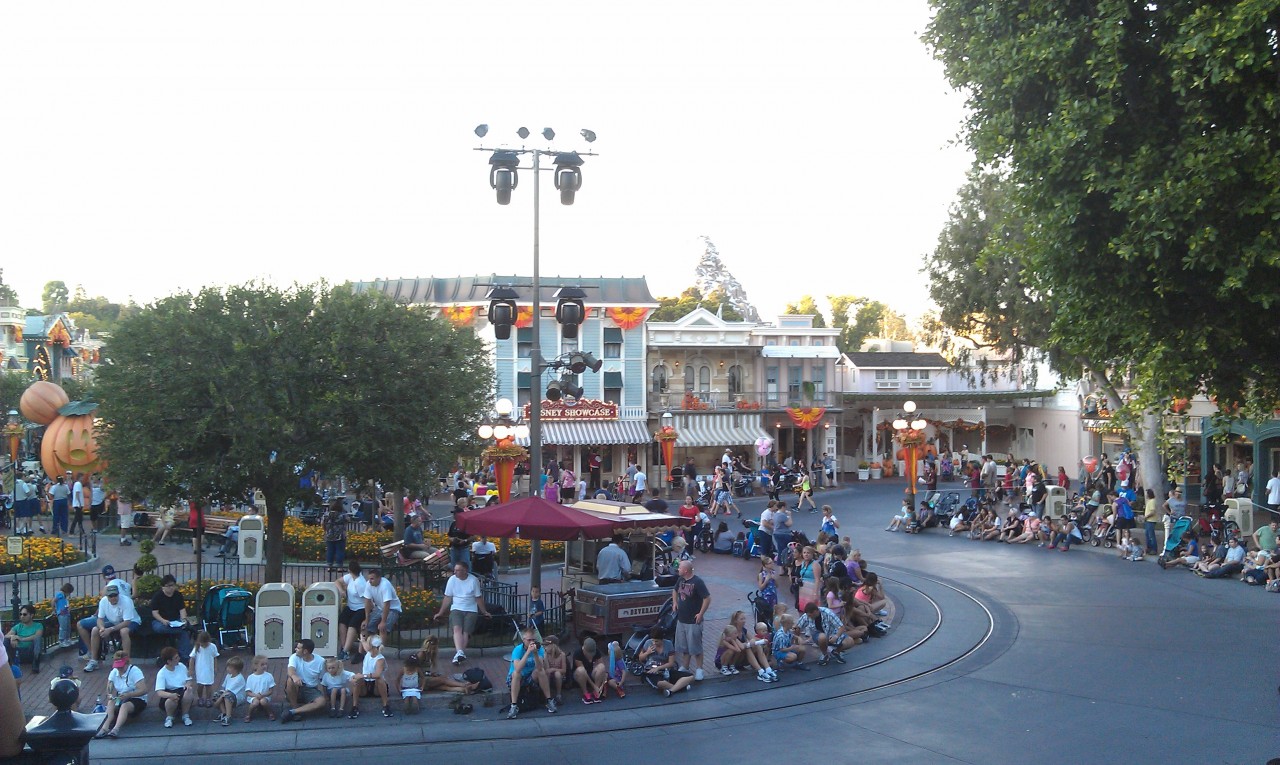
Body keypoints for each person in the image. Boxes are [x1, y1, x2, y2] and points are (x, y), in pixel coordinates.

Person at [433, 561, 491, 665]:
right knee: (457, 628)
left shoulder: (473, 580)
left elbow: (478, 598)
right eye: (454, 570)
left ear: (465, 571)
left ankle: (458, 656)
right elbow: (448, 597)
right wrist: (440, 612)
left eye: (458, 570)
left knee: (466, 632)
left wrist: (484, 611)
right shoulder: (452, 580)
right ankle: (460, 653)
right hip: (456, 607)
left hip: (471, 609)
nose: (455, 572)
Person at [81, 585, 141, 671]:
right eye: (110, 596)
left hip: (132, 621)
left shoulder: (127, 601)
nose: (113, 598)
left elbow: (127, 622)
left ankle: (126, 660)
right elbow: (100, 619)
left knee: (124, 631)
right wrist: (102, 628)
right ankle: (94, 660)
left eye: (115, 595)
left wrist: (110, 629)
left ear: (118, 594)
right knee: (95, 630)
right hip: (114, 621)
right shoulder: (103, 601)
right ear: (107, 596)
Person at [94, 650, 149, 739]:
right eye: (117, 667)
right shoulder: (114, 672)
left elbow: (144, 690)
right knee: (111, 702)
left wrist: (129, 695)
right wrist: (109, 694)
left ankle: (116, 729)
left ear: (127, 663)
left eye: (121, 667)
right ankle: (105, 728)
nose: (119, 669)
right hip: (121, 697)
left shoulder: (135, 671)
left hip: (137, 698)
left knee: (124, 706)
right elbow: (109, 686)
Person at [672, 560, 711, 681]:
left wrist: (701, 613)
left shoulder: (697, 582)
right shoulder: (680, 580)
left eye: (679, 568)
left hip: (693, 621)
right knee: (684, 646)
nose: (677, 569)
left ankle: (699, 669)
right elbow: (674, 590)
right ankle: (685, 666)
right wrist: (674, 602)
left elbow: (707, 598)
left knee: (696, 646)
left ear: (685, 570)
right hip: (682, 619)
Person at [506, 628, 557, 719]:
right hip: (516, 678)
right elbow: (517, 669)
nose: (531, 642)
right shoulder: (518, 650)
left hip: (530, 677)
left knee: (540, 671)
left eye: (533, 640)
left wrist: (535, 654)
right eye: (529, 640)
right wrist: (527, 653)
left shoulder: (539, 649)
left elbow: (540, 667)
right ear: (523, 640)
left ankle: (549, 700)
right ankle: (513, 706)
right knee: (516, 674)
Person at [281, 638, 328, 723]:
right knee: (290, 680)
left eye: (298, 648)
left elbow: (323, 679)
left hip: (311, 689)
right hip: (297, 686)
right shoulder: (294, 657)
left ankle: (293, 712)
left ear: (305, 651)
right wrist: (294, 676)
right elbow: (290, 670)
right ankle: (294, 706)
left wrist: (326, 695)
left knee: (321, 702)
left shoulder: (320, 661)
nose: (295, 649)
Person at [637, 625, 694, 697]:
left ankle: (671, 691)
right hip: (651, 671)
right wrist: (647, 653)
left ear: (662, 639)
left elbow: (671, 663)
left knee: (690, 677)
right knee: (661, 683)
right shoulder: (648, 643)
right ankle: (681, 688)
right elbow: (640, 658)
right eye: (653, 640)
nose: (654, 643)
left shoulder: (668, 644)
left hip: (665, 670)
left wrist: (659, 668)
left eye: (656, 641)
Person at [146, 574, 194, 659]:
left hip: (175, 620)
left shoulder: (178, 595)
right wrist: (163, 620)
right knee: (161, 628)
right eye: (168, 586)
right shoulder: (158, 596)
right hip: (160, 621)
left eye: (172, 585)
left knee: (184, 631)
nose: (171, 588)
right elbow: (155, 613)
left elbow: (182, 610)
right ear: (163, 587)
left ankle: (185, 656)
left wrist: (183, 620)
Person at [351, 633, 392, 718]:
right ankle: (354, 707)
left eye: (368, 642)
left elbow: (377, 674)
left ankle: (386, 706)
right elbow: (365, 646)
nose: (366, 644)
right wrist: (362, 640)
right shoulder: (369, 652)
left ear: (372, 646)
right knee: (357, 680)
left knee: (380, 679)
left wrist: (362, 676)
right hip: (366, 684)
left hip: (376, 686)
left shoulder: (380, 659)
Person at [155, 646, 195, 728]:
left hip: (181, 691)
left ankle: (185, 715)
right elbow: (159, 692)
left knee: (189, 691)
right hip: (169, 693)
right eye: (176, 658)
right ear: (169, 661)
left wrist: (188, 685)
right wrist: (170, 695)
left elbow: (189, 680)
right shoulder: (162, 673)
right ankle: (169, 717)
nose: (179, 659)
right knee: (171, 700)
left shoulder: (181, 666)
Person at [335, 561, 368, 662]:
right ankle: (344, 647)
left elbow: (367, 600)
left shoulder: (360, 583)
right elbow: (337, 582)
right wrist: (342, 590)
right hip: (351, 606)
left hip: (361, 608)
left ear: (349, 569)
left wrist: (367, 617)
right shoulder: (350, 577)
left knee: (352, 625)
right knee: (342, 621)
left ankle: (345, 651)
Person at [363, 568, 402, 643]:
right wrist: (366, 619)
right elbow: (367, 601)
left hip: (392, 609)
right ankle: (365, 651)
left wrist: (383, 621)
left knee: (382, 628)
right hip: (380, 608)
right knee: (366, 627)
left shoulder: (385, 585)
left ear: (379, 578)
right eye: (369, 579)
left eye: (372, 579)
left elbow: (387, 604)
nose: (370, 581)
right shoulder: (368, 584)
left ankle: (380, 651)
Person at [5, 606, 43, 672]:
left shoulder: (38, 625)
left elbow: (37, 636)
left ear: (31, 615)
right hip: (18, 653)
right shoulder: (18, 626)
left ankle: (36, 664)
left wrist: (21, 639)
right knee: (6, 640)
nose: (22, 616)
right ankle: (7, 663)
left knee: (37, 639)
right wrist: (13, 637)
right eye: (21, 614)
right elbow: (6, 636)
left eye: (24, 614)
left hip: (30, 652)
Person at [212, 655, 246, 726]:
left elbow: (228, 692)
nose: (227, 669)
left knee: (227, 696)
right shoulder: (228, 676)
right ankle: (224, 713)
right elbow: (224, 688)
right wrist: (219, 696)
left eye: (229, 667)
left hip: (237, 697)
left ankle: (228, 716)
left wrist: (217, 702)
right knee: (217, 694)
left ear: (236, 669)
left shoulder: (239, 679)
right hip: (227, 693)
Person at [573, 636, 608, 704]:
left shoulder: (596, 651)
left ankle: (596, 692)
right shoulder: (578, 653)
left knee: (601, 667)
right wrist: (594, 686)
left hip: (590, 673)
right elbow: (583, 671)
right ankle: (585, 693)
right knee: (581, 670)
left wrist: (603, 681)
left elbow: (602, 665)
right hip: (579, 675)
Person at [189, 630, 219, 708]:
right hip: (200, 669)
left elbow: (215, 657)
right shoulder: (197, 647)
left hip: (209, 669)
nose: (204, 645)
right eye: (202, 643)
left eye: (205, 643)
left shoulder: (212, 646)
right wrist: (191, 669)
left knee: (209, 685)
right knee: (200, 685)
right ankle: (200, 698)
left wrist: (215, 667)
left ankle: (208, 698)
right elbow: (192, 658)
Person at [242, 654, 277, 722]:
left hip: (265, 696)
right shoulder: (250, 677)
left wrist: (263, 695)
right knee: (255, 702)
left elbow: (271, 690)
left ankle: (270, 713)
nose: (265, 666)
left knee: (263, 701)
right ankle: (248, 714)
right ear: (256, 665)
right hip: (254, 696)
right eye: (262, 664)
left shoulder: (269, 676)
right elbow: (248, 692)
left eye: (266, 664)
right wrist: (256, 695)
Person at [322, 498, 348, 569]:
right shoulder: (342, 515)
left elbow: (323, 523)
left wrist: (326, 530)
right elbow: (347, 521)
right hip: (340, 535)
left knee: (330, 550)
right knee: (340, 551)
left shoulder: (326, 515)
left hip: (329, 534)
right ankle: (339, 566)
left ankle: (329, 566)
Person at [446, 503, 473, 568]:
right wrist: (452, 539)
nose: (453, 515)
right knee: (454, 566)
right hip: (454, 548)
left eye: (455, 514)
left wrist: (465, 540)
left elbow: (473, 536)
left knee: (465, 565)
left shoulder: (466, 524)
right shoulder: (453, 524)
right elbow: (449, 535)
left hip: (464, 548)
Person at [543, 634, 567, 702]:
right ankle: (548, 696)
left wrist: (553, 669)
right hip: (549, 675)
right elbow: (547, 669)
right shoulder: (546, 654)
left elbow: (564, 670)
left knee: (557, 673)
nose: (545, 647)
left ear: (553, 645)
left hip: (559, 676)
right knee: (546, 673)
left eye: (547, 645)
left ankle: (558, 695)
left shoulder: (562, 655)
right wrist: (545, 657)